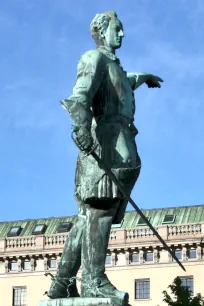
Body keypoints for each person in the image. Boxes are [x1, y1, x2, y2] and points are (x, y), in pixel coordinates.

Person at [47, 10, 163, 305]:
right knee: (99, 211)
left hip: (121, 140)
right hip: (105, 143)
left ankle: (61, 283)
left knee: (88, 217)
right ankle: (94, 281)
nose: (122, 34)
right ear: (102, 31)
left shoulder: (114, 65)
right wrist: (82, 128)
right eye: (117, 29)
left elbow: (122, 81)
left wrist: (143, 77)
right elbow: (80, 97)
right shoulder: (93, 58)